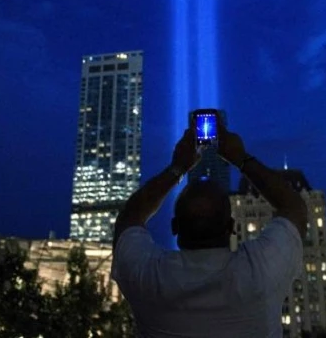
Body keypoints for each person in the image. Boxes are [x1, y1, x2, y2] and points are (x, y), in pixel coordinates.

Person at [111, 125, 308, 338]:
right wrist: (241, 159)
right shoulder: (260, 270)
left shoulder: (149, 277)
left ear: (174, 227)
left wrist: (177, 168)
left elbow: (129, 216)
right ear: (232, 227)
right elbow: (294, 206)